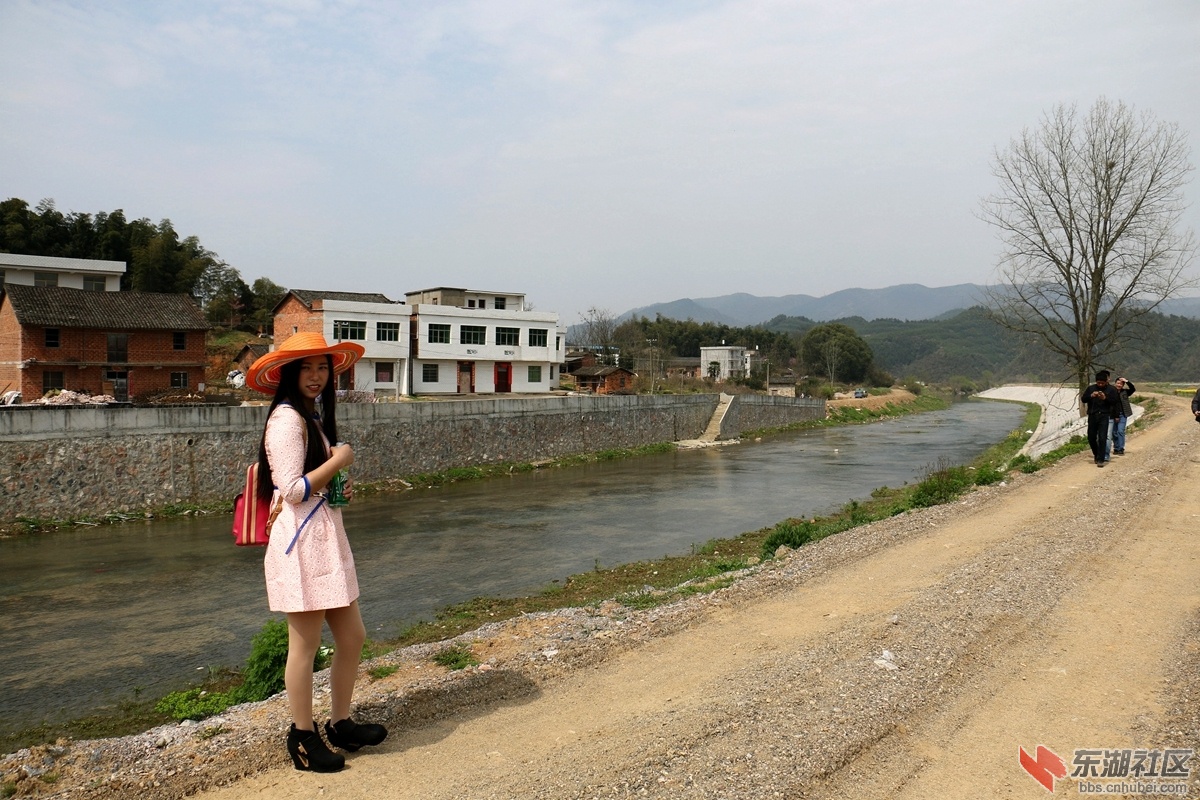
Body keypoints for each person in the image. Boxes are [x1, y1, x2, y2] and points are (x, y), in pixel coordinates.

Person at [246, 333, 387, 773]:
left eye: (322, 368)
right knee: (304, 646)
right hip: (301, 542)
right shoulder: (287, 419)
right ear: (289, 373)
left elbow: (311, 483)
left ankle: (340, 722)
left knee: (351, 635)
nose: (315, 376)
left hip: (323, 537)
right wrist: (340, 460)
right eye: (306, 368)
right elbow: (291, 490)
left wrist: (333, 471)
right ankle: (303, 737)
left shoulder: (312, 416)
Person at [1080, 370, 1120, 467]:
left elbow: (1115, 402)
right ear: (1096, 381)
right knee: (1091, 437)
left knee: (1103, 437)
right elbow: (1083, 399)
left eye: (1103, 383)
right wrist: (1091, 396)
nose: (1101, 385)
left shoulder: (1112, 389)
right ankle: (1096, 454)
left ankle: (1101, 459)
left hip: (1104, 415)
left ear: (1107, 381)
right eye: (1099, 383)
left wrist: (1105, 398)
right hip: (1092, 415)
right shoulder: (1091, 388)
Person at [1110, 376, 1136, 456]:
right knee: (1114, 432)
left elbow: (1133, 389)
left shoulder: (1125, 392)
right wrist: (1115, 415)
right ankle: (1116, 448)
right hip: (1113, 414)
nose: (1119, 385)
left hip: (1123, 414)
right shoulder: (1111, 392)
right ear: (1115, 383)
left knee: (1120, 431)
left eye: (1121, 384)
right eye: (1118, 383)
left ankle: (1121, 448)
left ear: (1123, 385)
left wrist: (1127, 381)